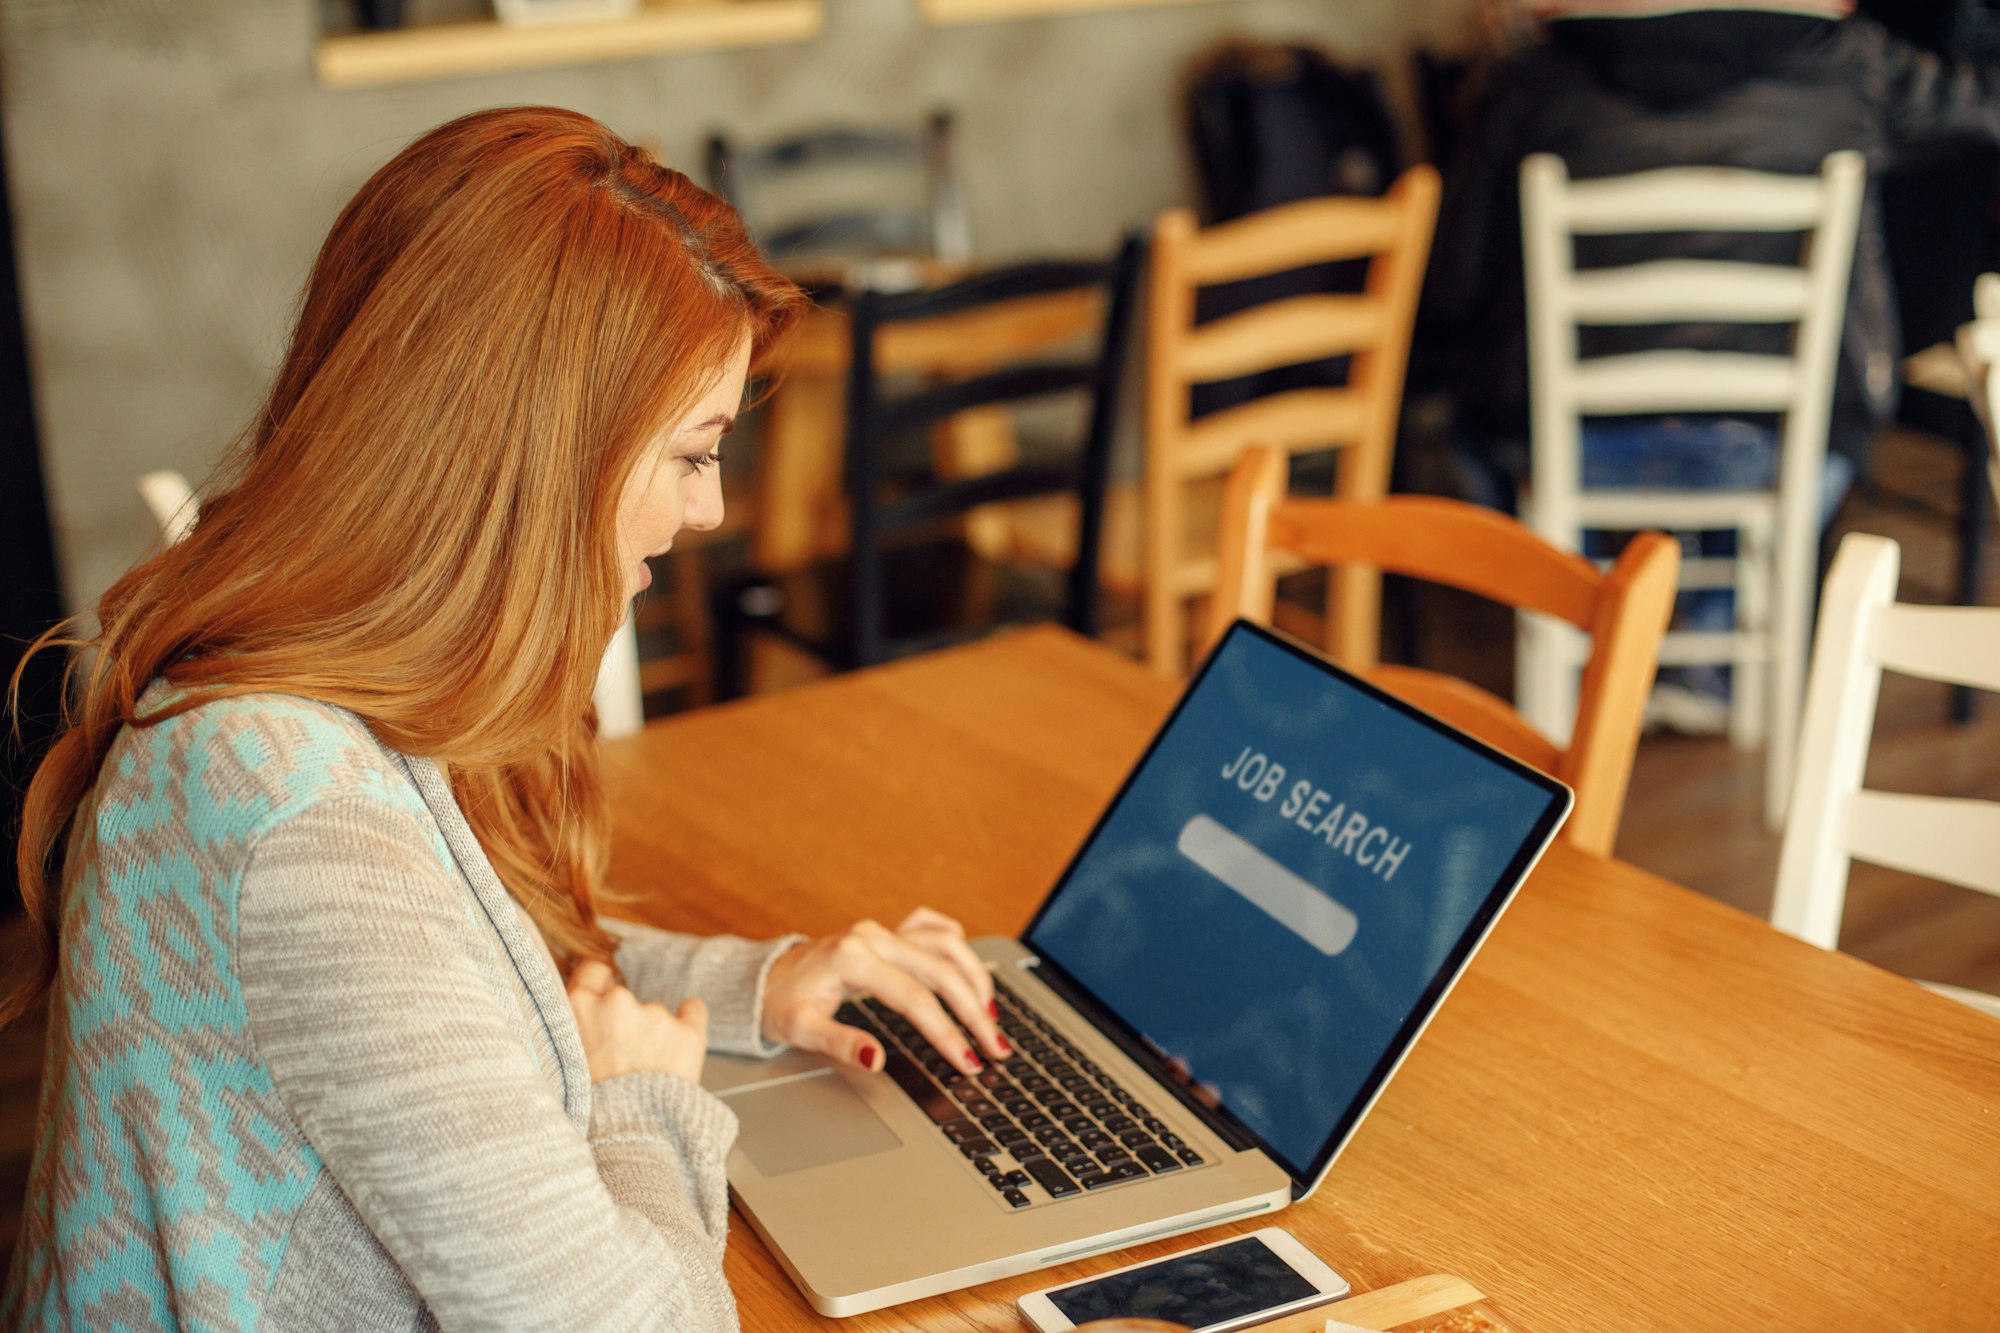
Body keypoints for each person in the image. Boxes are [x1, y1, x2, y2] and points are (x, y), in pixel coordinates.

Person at [0, 107, 1013, 1331]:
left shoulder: (296, 700)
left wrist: (762, 986)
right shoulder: (307, 831)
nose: (708, 511)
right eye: (694, 454)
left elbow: (460, 987)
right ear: (537, 462)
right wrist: (642, 1106)